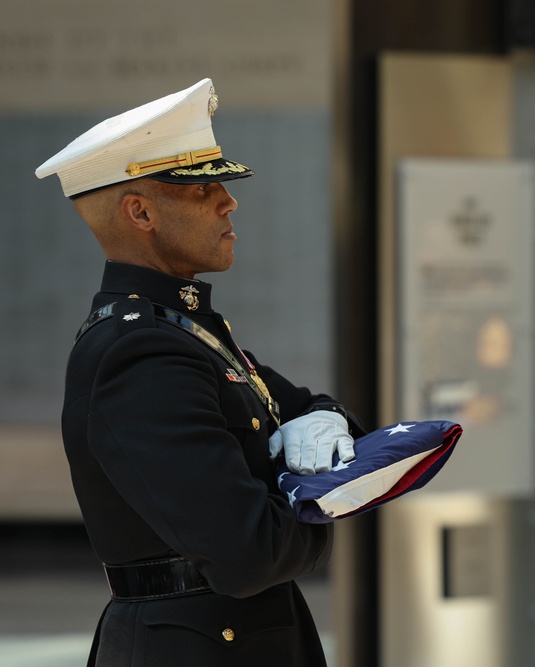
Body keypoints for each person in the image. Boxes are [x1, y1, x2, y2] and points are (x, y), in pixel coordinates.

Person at [35, 79, 362, 667]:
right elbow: (249, 553)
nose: (228, 201)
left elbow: (308, 404)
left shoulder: (190, 331)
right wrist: (322, 502)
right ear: (139, 211)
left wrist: (326, 421)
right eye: (202, 188)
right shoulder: (142, 354)